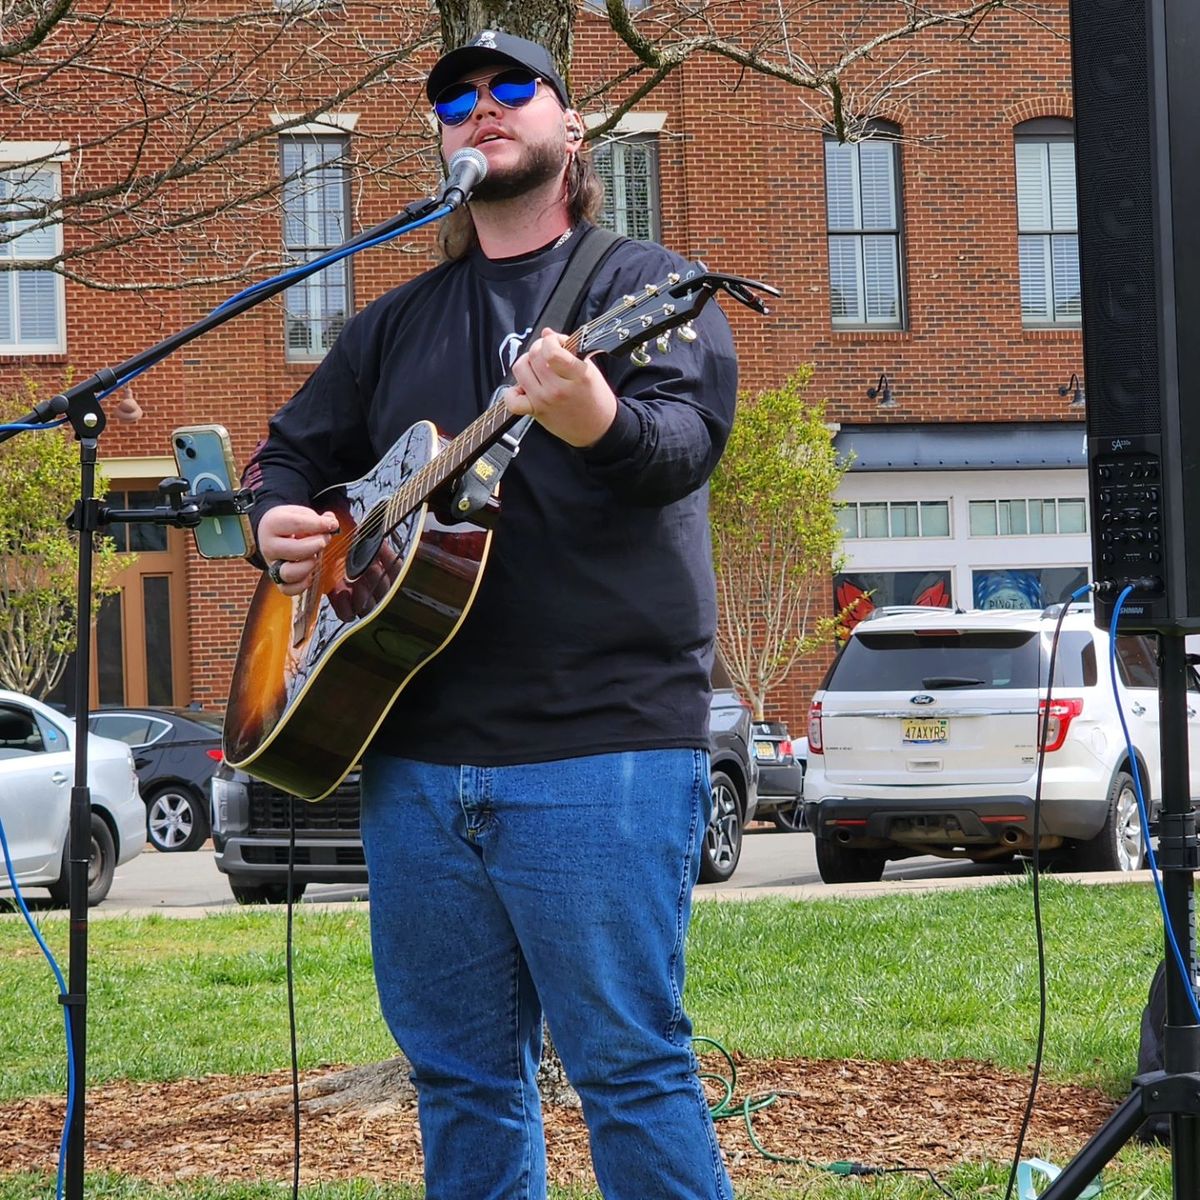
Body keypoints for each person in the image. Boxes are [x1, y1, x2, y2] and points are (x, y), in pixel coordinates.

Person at [247, 30, 739, 1200]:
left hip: (601, 746)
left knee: (628, 1067)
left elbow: (678, 451)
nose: (484, 105)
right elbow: (290, 453)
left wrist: (594, 419)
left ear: (573, 131)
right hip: (415, 756)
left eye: (514, 87)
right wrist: (279, 523)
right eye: (458, 97)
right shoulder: (392, 322)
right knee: (461, 1078)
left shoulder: (646, 291)